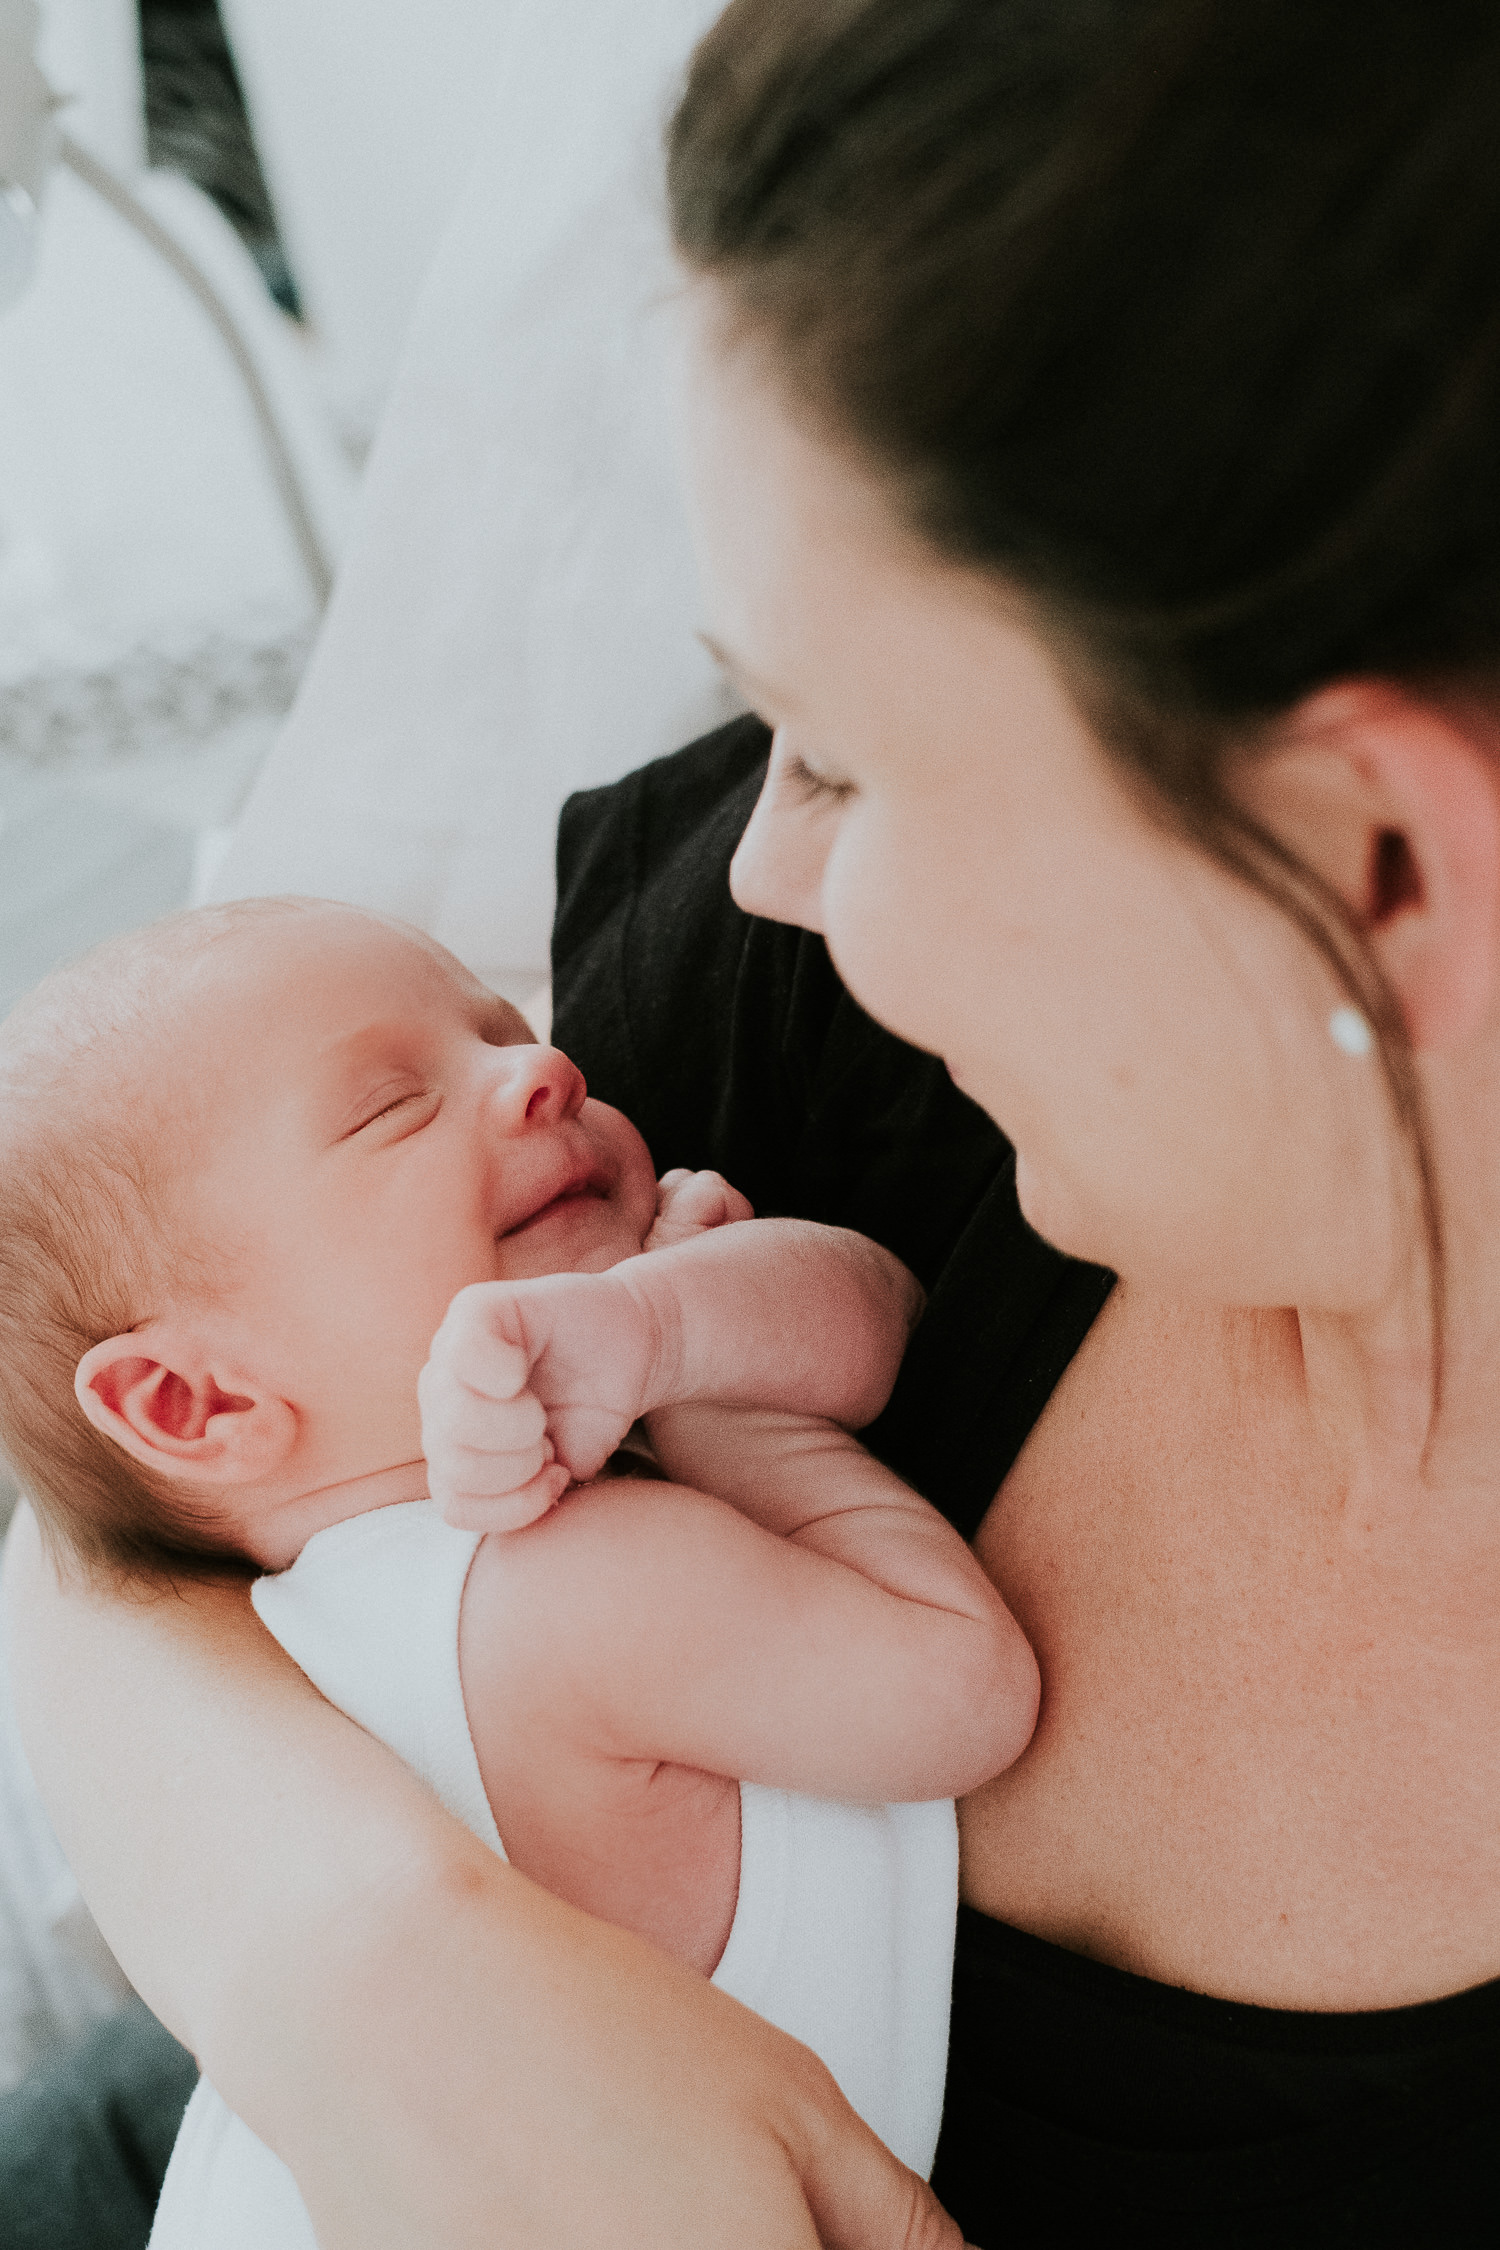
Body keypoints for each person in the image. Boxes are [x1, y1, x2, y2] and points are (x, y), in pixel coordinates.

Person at [8, 0, 1500, 2241]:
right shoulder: (819, 1030)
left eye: (838, 753)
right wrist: (368, 1964)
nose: (760, 867)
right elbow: (134, 1514)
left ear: (1377, 857)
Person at [0, 897, 1030, 2240]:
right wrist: (731, 1413)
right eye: (391, 1107)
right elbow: (967, 1683)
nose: (541, 1069)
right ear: (196, 1404)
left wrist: (673, 1328)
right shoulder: (558, 1587)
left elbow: (891, 1323)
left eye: (503, 1028)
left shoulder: (281, 1637)